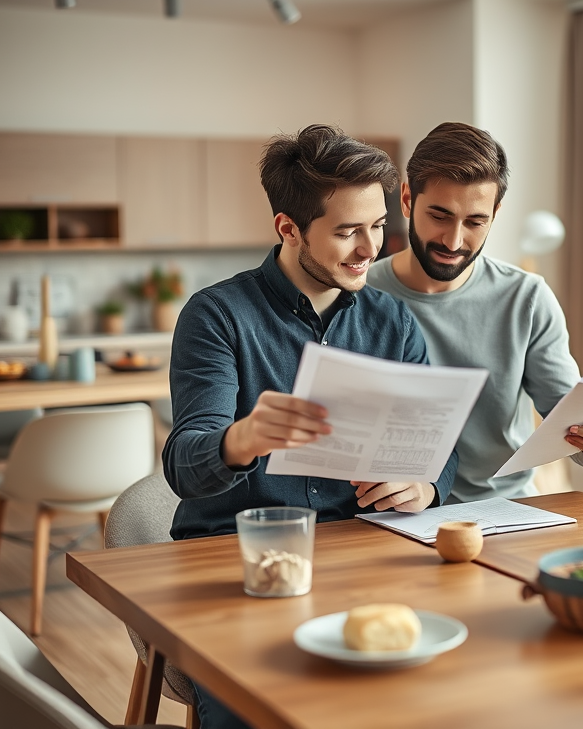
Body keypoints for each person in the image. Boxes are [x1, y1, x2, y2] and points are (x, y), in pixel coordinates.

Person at [163, 124, 457, 728]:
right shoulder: (218, 316)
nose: (369, 249)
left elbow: (435, 446)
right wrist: (243, 438)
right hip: (238, 562)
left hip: (362, 554)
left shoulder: (390, 322)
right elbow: (185, 466)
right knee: (267, 711)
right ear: (288, 228)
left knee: (442, 693)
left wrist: (423, 485)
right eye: (347, 231)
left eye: (377, 226)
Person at [366, 122, 583, 503]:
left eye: (475, 222)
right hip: (390, 510)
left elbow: (570, 427)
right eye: (440, 216)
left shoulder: (526, 298)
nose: (454, 241)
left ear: (495, 213)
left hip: (503, 508)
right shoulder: (357, 294)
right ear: (407, 200)